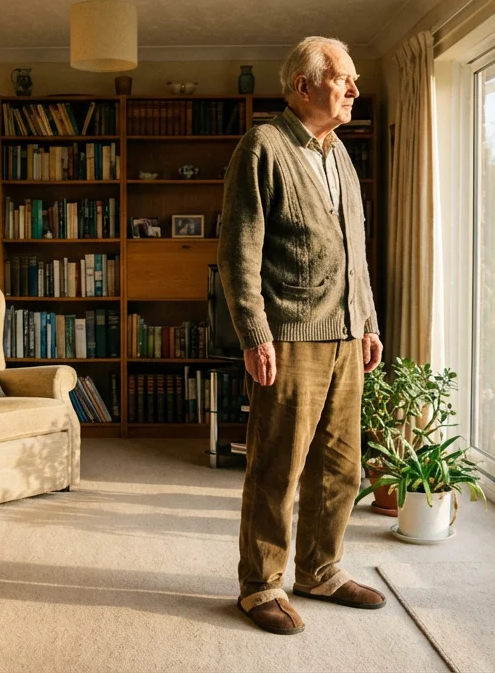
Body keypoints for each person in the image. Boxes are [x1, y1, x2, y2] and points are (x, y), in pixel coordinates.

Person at [217, 36, 386, 635]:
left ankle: (321, 570)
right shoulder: (263, 146)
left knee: (342, 465)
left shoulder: (338, 153)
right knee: (278, 467)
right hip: (289, 336)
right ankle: (259, 584)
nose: (354, 90)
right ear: (304, 85)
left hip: (345, 335)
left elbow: (355, 252)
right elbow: (240, 250)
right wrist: (255, 330)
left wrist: (366, 320)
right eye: (344, 79)